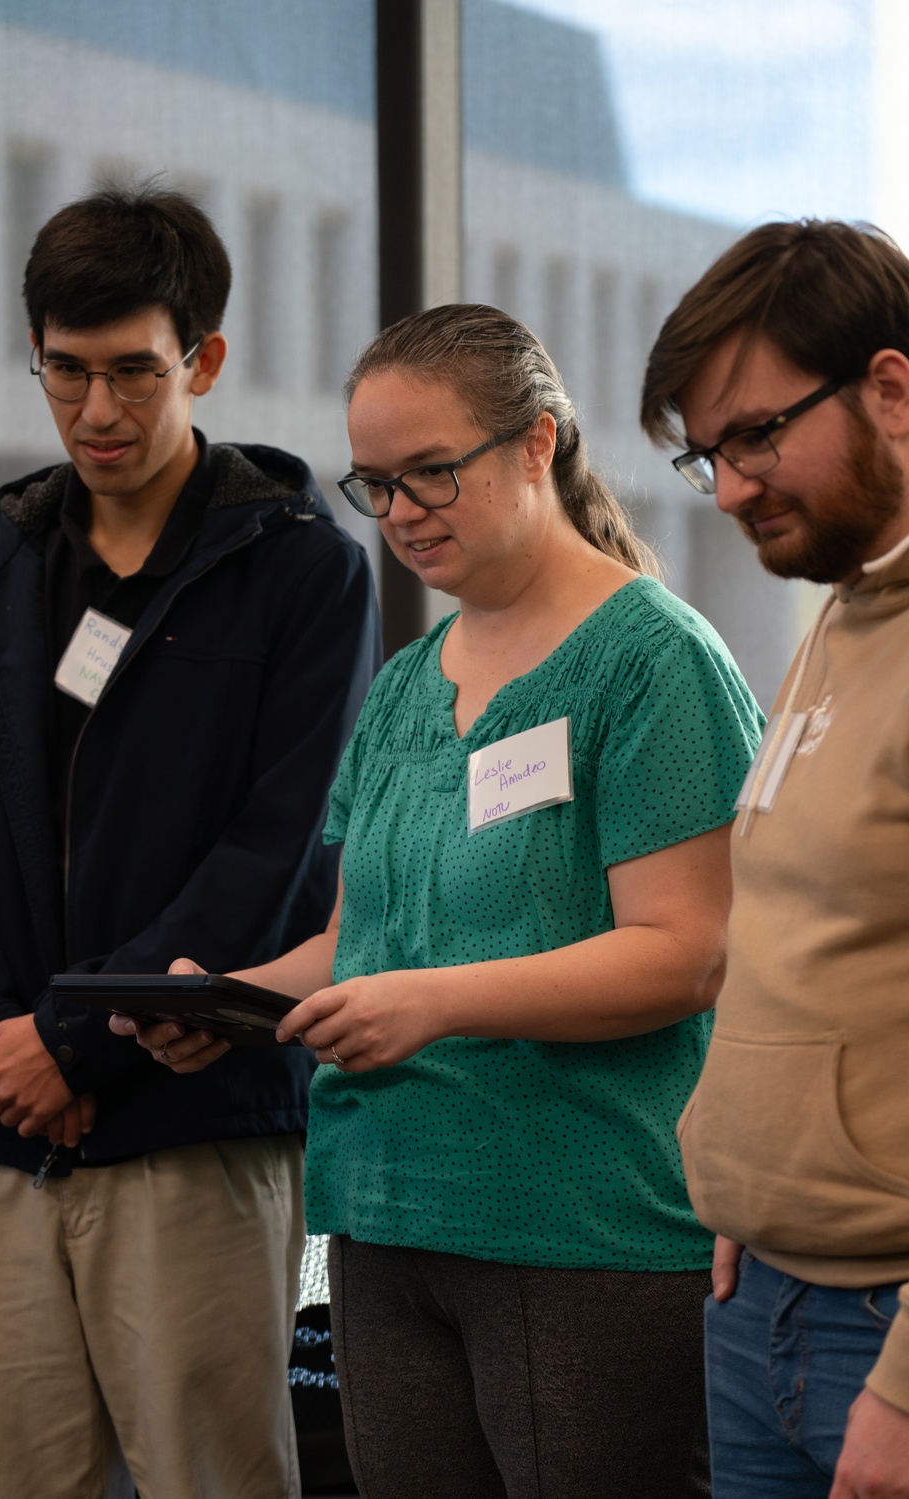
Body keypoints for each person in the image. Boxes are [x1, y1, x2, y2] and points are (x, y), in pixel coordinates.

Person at [122, 303, 763, 1499]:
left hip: (582, 1224)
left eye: (431, 473)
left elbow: (688, 954)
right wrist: (230, 998)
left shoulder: (652, 661)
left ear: (539, 443)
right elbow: (357, 942)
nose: (403, 512)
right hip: (387, 1215)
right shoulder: (414, 680)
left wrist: (439, 1003)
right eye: (375, 484)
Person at [0, 183, 380, 1499]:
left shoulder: (303, 570)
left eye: (134, 372)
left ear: (205, 360)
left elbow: (279, 846)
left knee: (213, 1476)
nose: (99, 413)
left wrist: (73, 1035)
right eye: (67, 373)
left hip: (191, 1118)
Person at [639, 218, 909, 1499]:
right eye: (710, 454)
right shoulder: (847, 608)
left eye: (754, 433)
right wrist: (742, 1165)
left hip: (886, 1334)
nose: (732, 485)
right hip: (762, 1292)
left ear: (891, 387)